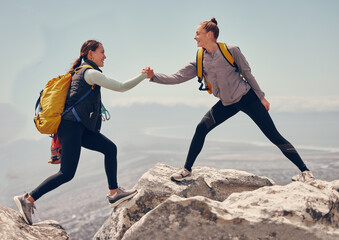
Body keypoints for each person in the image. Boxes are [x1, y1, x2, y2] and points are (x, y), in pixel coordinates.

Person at [144, 18, 315, 184]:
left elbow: (247, 73)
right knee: (201, 128)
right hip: (227, 103)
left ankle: (305, 172)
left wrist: (261, 97)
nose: (194, 37)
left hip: (248, 98)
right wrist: (154, 76)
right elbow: (178, 77)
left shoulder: (231, 50)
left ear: (209, 34)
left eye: (197, 33)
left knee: (273, 135)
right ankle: (186, 170)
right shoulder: (200, 58)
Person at [14, 40, 148, 225]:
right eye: (102, 52)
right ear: (90, 54)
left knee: (110, 149)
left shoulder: (80, 72)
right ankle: (27, 199)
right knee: (67, 173)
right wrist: (143, 75)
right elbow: (121, 87)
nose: (105, 56)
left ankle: (114, 193)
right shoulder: (89, 73)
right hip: (71, 126)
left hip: (78, 127)